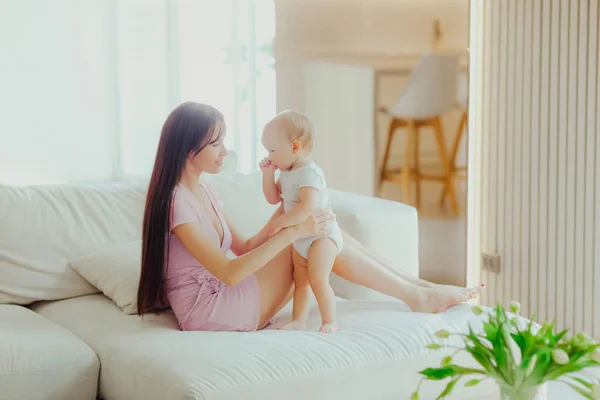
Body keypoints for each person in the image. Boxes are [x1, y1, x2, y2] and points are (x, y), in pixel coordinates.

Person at [137, 102, 481, 332]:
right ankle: (417, 295)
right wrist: (292, 231)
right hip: (212, 309)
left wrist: (284, 216)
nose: (225, 151)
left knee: (323, 228)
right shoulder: (178, 204)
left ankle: (420, 287)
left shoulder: (206, 189)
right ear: (187, 148)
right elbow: (229, 272)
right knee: (313, 237)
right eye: (216, 144)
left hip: (225, 291)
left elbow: (244, 247)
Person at [259, 110, 342, 333]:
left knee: (317, 279)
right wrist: (267, 174)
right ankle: (299, 321)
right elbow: (273, 198)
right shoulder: (287, 173)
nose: (269, 156)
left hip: (321, 236)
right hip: (302, 237)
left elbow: (307, 206)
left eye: (272, 150)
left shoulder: (309, 173)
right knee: (301, 281)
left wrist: (284, 222)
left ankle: (329, 320)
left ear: (295, 147)